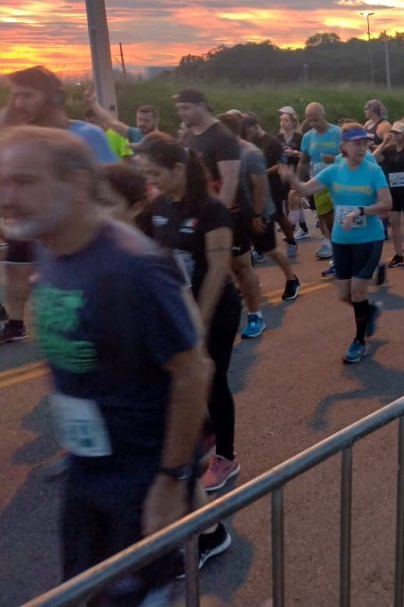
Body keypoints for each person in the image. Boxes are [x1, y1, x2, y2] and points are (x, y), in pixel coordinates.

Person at [0, 126, 211, 604]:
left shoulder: (133, 267)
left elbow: (194, 370)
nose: (6, 197)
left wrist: (170, 480)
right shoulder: (50, 247)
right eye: (3, 182)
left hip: (138, 482)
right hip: (86, 471)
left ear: (75, 183)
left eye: (23, 182)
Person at [135, 137, 243, 504]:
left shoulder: (211, 209)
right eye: (146, 174)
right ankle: (205, 428)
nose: (151, 180)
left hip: (215, 308)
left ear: (178, 170)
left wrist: (198, 322)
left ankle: (226, 457)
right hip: (177, 308)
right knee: (173, 378)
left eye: (155, 173)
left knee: (212, 380)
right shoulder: (159, 205)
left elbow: (216, 270)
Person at [1, 66, 117, 345]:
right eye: (14, 96)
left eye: (27, 95)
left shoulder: (86, 136)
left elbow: (115, 196)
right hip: (48, 254)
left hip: (90, 253)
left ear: (55, 97)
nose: (18, 103)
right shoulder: (23, 142)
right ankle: (16, 323)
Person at [285, 123, 391, 364]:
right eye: (356, 143)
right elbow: (304, 189)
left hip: (369, 239)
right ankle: (370, 310)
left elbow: (387, 203)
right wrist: (291, 178)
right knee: (345, 295)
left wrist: (361, 211)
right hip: (342, 240)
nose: (362, 148)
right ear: (343, 145)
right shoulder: (334, 171)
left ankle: (359, 341)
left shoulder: (373, 170)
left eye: (365, 143)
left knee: (357, 291)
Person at [175, 89, 265, 339]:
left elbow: (229, 182)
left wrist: (217, 221)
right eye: (179, 109)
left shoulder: (222, 137)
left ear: (202, 106)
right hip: (202, 213)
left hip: (231, 213)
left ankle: (256, 314)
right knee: (210, 266)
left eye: (186, 108)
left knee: (240, 266)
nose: (182, 114)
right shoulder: (190, 136)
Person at [242, 114, 299, 259]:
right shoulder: (250, 142)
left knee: (278, 215)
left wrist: (262, 173)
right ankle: (260, 248)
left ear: (255, 127)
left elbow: (281, 163)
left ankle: (291, 241)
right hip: (257, 186)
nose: (247, 134)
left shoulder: (271, 142)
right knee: (258, 215)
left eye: (248, 131)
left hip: (273, 184)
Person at [300, 103, 343, 269]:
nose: (313, 124)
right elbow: (303, 162)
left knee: (343, 220)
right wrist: (298, 183)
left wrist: (334, 159)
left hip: (339, 183)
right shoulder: (308, 137)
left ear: (324, 116)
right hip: (319, 184)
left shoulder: (337, 133)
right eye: (309, 120)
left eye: (316, 120)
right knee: (329, 222)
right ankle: (338, 255)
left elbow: (351, 155)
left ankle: (351, 255)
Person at [374, 121, 404, 268]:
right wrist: (384, 142)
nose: (395, 135)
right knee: (395, 224)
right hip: (394, 191)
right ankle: (398, 254)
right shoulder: (389, 149)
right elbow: (374, 158)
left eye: (399, 132)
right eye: (394, 132)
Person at [276, 106, 310, 240]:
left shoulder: (299, 137)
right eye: (281, 120)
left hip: (297, 171)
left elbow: (306, 155)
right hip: (283, 171)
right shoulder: (278, 137)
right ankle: (304, 229)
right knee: (294, 201)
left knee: (293, 200)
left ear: (293, 122)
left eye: (286, 120)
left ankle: (291, 230)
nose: (283, 123)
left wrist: (294, 153)